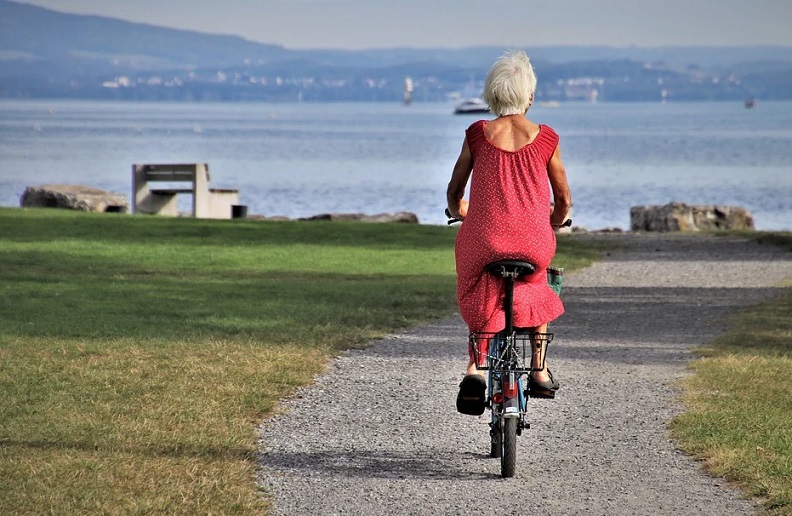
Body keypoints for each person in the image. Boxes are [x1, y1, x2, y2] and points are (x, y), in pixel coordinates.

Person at [446, 50, 572, 415]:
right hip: (532, 242)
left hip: (483, 239)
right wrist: (556, 220)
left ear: (491, 94)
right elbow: (562, 197)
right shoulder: (546, 138)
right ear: (529, 96)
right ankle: (539, 368)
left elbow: (455, 192)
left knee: (479, 282)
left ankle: (475, 369)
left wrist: (460, 212)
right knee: (537, 284)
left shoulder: (477, 134)